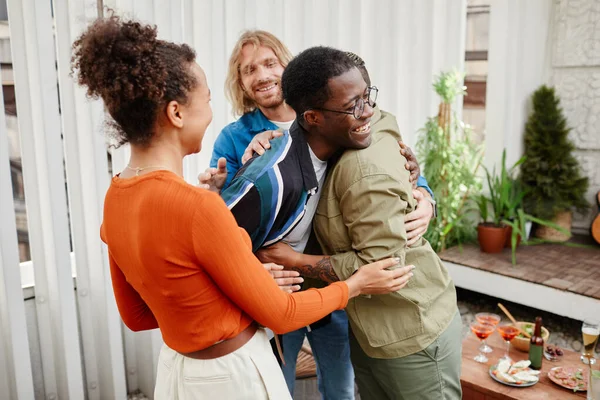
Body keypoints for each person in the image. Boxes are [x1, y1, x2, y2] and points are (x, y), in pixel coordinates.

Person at [71, 15, 414, 399]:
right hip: (234, 375)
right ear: (176, 114)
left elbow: (137, 316)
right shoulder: (198, 207)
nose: (213, 113)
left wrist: (232, 291)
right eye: (207, 101)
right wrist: (355, 284)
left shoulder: (115, 196)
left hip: (175, 372)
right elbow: (280, 314)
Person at [205, 31, 434, 399]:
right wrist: (221, 187)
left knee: (340, 381)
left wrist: (425, 196)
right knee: (276, 380)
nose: (261, 75)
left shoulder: (342, 116)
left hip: (332, 278)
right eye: (249, 70)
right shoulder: (236, 138)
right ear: (241, 83)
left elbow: (389, 162)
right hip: (280, 285)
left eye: (269, 63)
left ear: (288, 66)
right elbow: (231, 214)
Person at [257, 47, 462, 400]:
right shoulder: (310, 146)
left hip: (410, 330)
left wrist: (294, 261)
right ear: (312, 117)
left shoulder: (362, 166)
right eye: (354, 104)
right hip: (367, 327)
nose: (367, 111)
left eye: (367, 97)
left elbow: (379, 268)